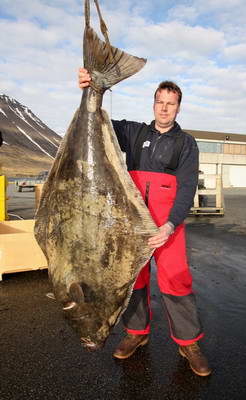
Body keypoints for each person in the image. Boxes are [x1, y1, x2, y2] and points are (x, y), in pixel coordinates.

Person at [78, 68, 211, 377]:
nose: (164, 108)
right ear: (153, 104)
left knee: (176, 282)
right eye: (159, 102)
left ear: (178, 108)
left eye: (171, 103)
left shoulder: (186, 143)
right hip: (133, 226)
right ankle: (137, 332)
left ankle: (188, 342)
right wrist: (90, 88)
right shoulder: (134, 133)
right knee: (134, 282)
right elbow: (96, 120)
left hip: (168, 227)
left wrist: (169, 225)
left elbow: (187, 187)